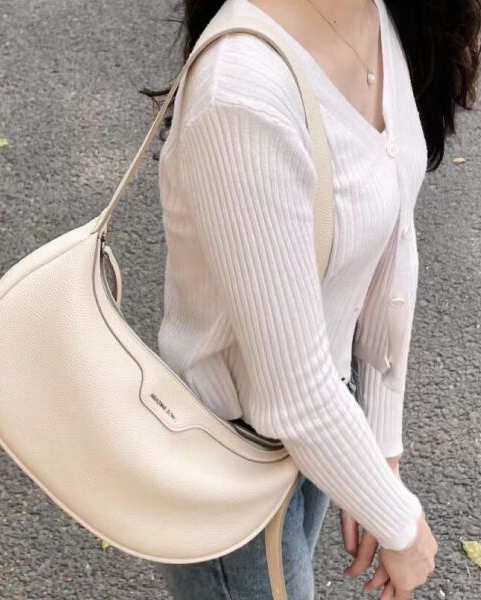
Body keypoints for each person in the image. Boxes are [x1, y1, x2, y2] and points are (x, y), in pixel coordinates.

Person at [143, 0, 480, 598]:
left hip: (320, 426)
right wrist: (403, 526)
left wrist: (381, 449)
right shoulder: (241, 93)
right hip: (228, 455)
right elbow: (292, 394)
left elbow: (392, 241)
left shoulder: (369, 14)